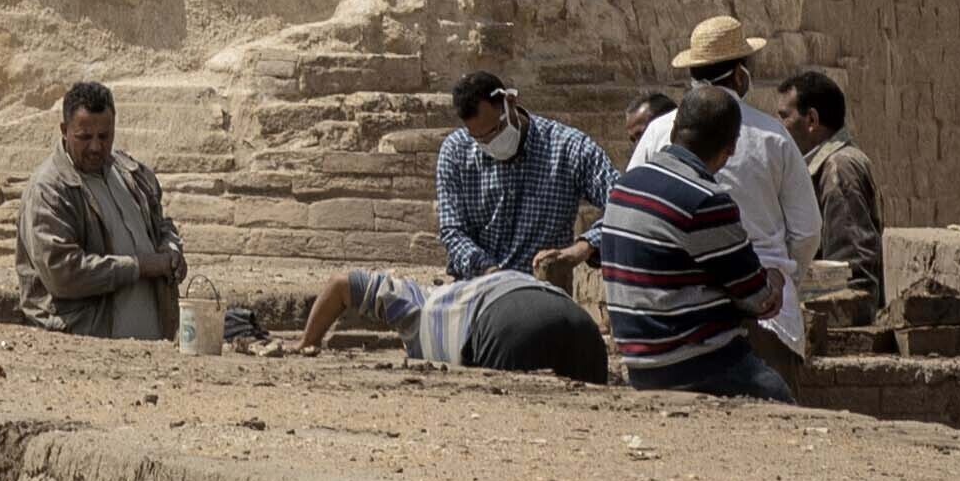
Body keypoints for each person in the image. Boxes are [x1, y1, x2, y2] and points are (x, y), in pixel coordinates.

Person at [589, 84, 791, 401]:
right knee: (780, 401)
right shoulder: (705, 201)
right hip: (697, 363)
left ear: (674, 131)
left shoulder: (626, 186)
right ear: (731, 148)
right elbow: (759, 300)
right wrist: (777, 277)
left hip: (640, 363)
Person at [636, 17, 815, 349]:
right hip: (766, 309)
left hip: (678, 310)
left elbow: (637, 211)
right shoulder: (772, 136)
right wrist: (781, 274)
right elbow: (807, 230)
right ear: (739, 74)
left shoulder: (658, 132)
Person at [17, 78, 187, 341]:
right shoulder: (49, 189)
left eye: (104, 136)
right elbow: (63, 272)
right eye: (85, 137)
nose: (96, 147)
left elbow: (161, 225)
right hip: (86, 342)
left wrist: (171, 250)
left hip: (152, 343)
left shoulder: (131, 172)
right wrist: (139, 267)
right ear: (64, 130)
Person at [434, 70, 614, 282]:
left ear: (509, 102)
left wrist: (582, 248)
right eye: (480, 139)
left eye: (496, 130)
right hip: (479, 290)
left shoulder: (569, 148)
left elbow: (626, 207)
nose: (490, 143)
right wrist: (490, 273)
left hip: (544, 294)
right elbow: (452, 230)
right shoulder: (456, 151)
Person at [299, 262, 609, 380]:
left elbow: (341, 283)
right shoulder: (485, 283)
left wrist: (306, 344)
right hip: (579, 319)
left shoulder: (419, 303)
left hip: (505, 323)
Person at [780, 66, 888, 329]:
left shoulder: (839, 168)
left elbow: (851, 274)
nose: (779, 127)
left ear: (812, 120)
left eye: (784, 116)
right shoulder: (827, 167)